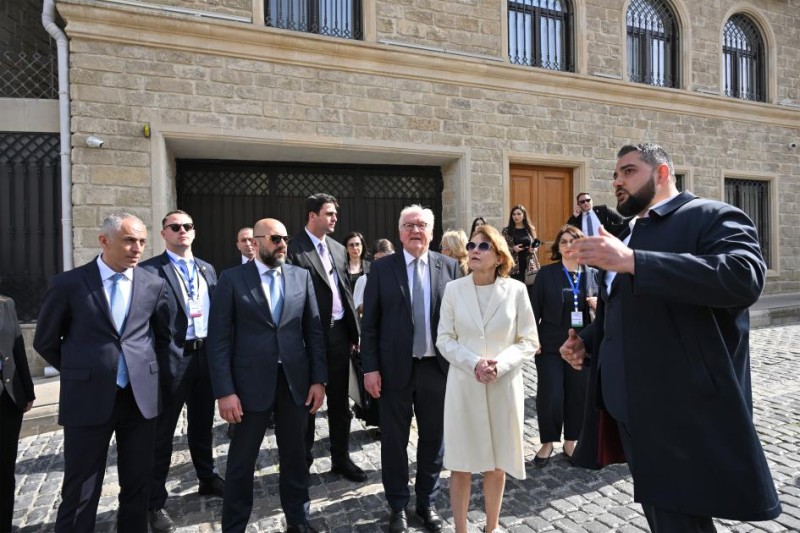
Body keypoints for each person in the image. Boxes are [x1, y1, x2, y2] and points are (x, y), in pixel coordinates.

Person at [560, 143, 781, 531]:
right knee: (664, 520)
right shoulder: (629, 233)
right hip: (630, 411)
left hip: (681, 411)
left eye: (629, 171)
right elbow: (627, 309)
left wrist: (634, 261)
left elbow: (743, 277)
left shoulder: (712, 216)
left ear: (662, 173)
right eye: (615, 175)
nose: (617, 182)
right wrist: (588, 341)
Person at [33, 212, 172, 533]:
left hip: (139, 400)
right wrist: (83, 370)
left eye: (142, 241)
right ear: (104, 241)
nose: (137, 248)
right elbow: (46, 341)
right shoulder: (68, 284)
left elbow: (163, 338)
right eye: (129, 240)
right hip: (87, 397)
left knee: (138, 482)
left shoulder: (153, 284)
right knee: (81, 486)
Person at [207, 218, 327, 533]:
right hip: (248, 386)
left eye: (285, 238)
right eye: (275, 238)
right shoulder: (232, 279)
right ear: (256, 241)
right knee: (241, 462)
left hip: (294, 382)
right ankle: (234, 526)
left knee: (296, 457)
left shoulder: (301, 277)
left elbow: (313, 332)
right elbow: (218, 340)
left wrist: (318, 380)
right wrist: (224, 391)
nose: (283, 244)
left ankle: (298, 520)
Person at [361, 205, 461, 533]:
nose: (415, 230)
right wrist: (370, 369)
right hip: (393, 370)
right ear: (400, 232)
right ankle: (397, 506)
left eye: (421, 225)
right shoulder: (382, 269)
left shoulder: (449, 267)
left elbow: (459, 321)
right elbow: (370, 324)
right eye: (409, 225)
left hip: (436, 369)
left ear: (431, 232)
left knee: (434, 439)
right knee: (394, 440)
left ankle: (426, 502)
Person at [436, 225, 538, 533]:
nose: (474, 251)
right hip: (464, 386)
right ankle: (461, 530)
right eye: (471, 246)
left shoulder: (516, 291)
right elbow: (444, 339)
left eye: (483, 246)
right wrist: (474, 363)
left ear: (499, 257)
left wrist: (500, 364)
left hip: (502, 386)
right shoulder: (454, 290)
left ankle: (491, 527)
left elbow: (529, 340)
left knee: (497, 462)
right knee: (461, 464)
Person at [140, 210, 224, 533]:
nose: (182, 231)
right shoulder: (150, 271)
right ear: (164, 233)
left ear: (194, 231)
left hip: (205, 357)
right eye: (174, 227)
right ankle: (153, 502)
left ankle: (207, 477)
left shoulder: (207, 268)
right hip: (172, 361)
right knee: (162, 433)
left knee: (203, 423)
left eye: (187, 226)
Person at [286, 194, 366, 482]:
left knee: (340, 404)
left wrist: (354, 332)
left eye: (335, 213)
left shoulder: (337, 248)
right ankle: (303, 463)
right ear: (312, 216)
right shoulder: (294, 249)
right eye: (329, 213)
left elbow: (344, 291)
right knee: (310, 402)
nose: (334, 218)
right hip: (310, 338)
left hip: (339, 335)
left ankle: (341, 458)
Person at [528, 225, 596, 466]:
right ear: (558, 246)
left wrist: (597, 304)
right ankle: (547, 441)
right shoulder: (547, 274)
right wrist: (532, 338)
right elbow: (532, 310)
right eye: (564, 241)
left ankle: (571, 440)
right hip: (550, 345)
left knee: (578, 393)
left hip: (581, 346)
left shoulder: (592, 274)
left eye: (573, 241)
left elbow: (605, 311)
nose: (568, 246)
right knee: (552, 393)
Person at [0, 294, 35, 533]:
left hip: (8, 401)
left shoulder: (6, 304)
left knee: (4, 470)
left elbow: (17, 347)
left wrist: (28, 391)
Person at [353, 239, 395, 315]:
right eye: (377, 259)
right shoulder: (364, 280)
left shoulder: (399, 278)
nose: (381, 263)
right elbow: (356, 307)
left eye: (384, 259)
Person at [501, 205, 540, 284]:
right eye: (514, 214)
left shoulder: (531, 229)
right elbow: (502, 247)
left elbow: (536, 242)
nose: (516, 216)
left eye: (519, 214)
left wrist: (534, 248)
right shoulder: (506, 231)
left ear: (524, 216)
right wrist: (513, 249)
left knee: (530, 288)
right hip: (513, 266)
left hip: (529, 266)